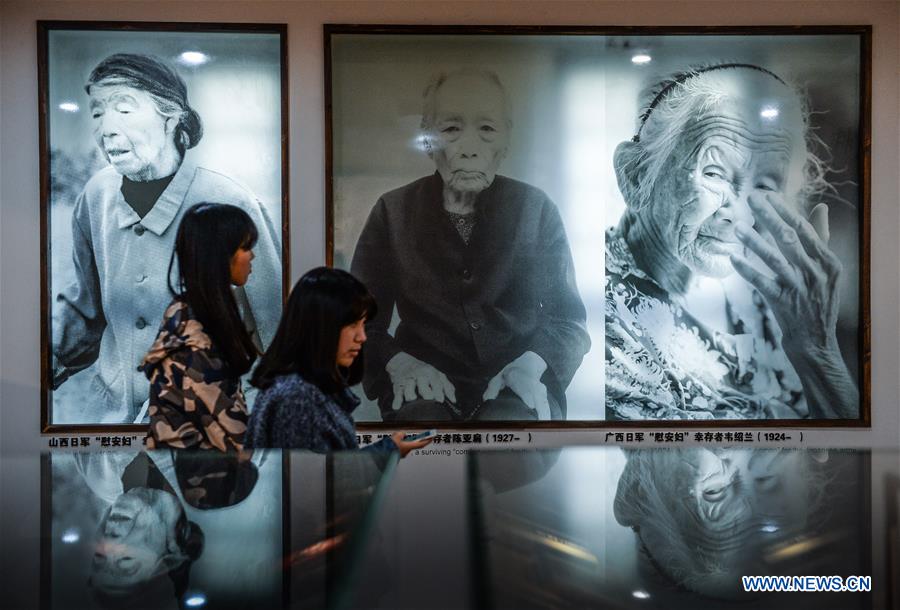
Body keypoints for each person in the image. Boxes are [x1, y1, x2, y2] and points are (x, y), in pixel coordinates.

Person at [606, 63, 858, 420]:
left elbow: (829, 458)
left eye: (765, 186)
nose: (737, 213)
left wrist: (818, 347)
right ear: (635, 176)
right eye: (714, 173)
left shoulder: (762, 295)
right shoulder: (600, 319)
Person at [51, 53, 281, 424]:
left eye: (124, 110)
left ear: (171, 116)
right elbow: (86, 308)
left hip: (207, 432)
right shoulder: (96, 196)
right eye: (97, 112)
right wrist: (38, 367)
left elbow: (275, 327)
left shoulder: (231, 202)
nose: (106, 128)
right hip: (112, 428)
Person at [350, 69, 590, 422]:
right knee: (423, 441)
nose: (470, 150)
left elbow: (568, 319)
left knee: (512, 443)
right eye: (451, 129)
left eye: (487, 129)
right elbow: (358, 322)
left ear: (506, 140)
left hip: (517, 380)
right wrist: (399, 363)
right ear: (428, 140)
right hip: (425, 382)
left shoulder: (536, 209)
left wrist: (529, 366)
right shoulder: (393, 211)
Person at [245, 267, 432, 457]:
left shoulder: (304, 391)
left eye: (362, 324)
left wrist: (390, 449)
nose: (362, 337)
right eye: (352, 325)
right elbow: (313, 480)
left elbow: (332, 468)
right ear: (320, 325)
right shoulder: (296, 398)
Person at [140, 203, 260, 450]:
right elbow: (233, 440)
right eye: (246, 247)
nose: (252, 256)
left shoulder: (193, 317)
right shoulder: (194, 339)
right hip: (201, 480)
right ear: (220, 255)